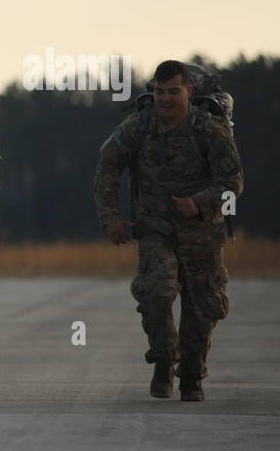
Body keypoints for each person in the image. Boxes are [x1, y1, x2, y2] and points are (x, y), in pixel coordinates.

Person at [94, 60, 243, 401]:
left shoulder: (209, 130)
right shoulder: (138, 127)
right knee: (155, 293)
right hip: (156, 229)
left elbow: (233, 182)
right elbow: (107, 167)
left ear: (188, 91)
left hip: (202, 232)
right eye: (160, 92)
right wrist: (111, 217)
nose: (165, 99)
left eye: (173, 91)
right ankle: (163, 361)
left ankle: (191, 377)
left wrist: (200, 202)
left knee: (202, 307)